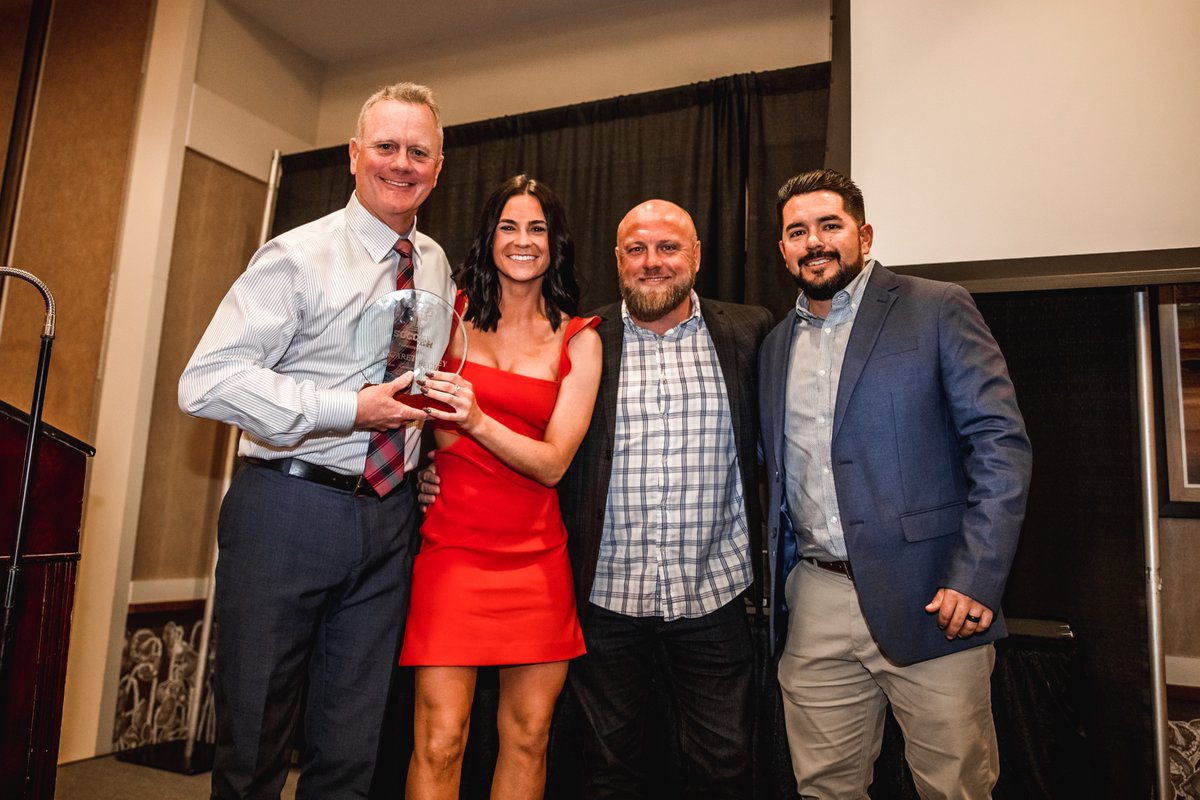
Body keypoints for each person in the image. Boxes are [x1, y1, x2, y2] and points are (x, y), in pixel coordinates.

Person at [419, 199, 771, 796]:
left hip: (713, 595)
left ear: (697, 257)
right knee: (605, 773)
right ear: (617, 260)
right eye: (636, 249)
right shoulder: (592, 336)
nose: (652, 262)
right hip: (606, 594)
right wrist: (426, 471)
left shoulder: (751, 332)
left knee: (725, 769)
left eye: (668, 248)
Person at [178, 82, 454, 799]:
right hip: (286, 511)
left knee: (352, 751)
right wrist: (347, 409)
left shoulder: (435, 263)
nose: (402, 163)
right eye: (386, 147)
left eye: (418, 151)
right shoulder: (295, 257)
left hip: (390, 521)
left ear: (439, 165)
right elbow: (205, 382)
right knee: (255, 743)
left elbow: (413, 381)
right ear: (354, 156)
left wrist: (421, 458)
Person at [759, 168, 1032, 799]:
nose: (814, 241)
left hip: (934, 598)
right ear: (783, 250)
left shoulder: (936, 306)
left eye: (830, 225)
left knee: (955, 788)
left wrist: (976, 576)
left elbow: (1001, 446)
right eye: (797, 231)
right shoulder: (775, 345)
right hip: (816, 604)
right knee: (824, 789)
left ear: (864, 232)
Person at [398, 174, 602, 799]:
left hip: (537, 559)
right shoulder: (445, 321)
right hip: (453, 549)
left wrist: (477, 420)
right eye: (509, 227)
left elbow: (553, 464)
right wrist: (416, 478)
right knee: (440, 738)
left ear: (555, 242)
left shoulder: (580, 339)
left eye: (537, 228)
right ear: (489, 238)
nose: (522, 240)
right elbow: (395, 411)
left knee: (527, 735)